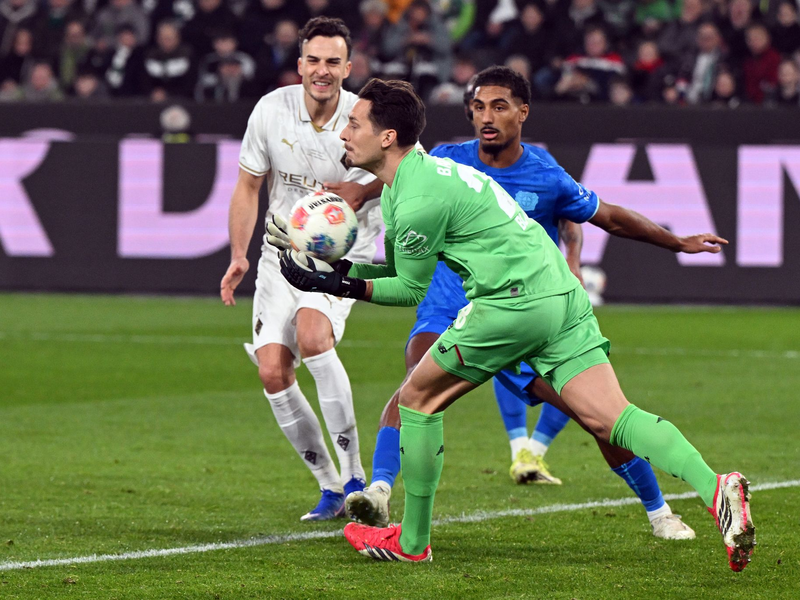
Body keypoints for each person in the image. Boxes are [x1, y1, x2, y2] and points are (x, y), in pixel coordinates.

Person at [276, 78, 755, 571]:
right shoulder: (422, 179)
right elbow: (396, 273)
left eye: (354, 123)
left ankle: (412, 542)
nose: (344, 133)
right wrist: (336, 274)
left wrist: (336, 285)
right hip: (563, 297)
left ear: (388, 137)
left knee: (417, 400)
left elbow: (412, 291)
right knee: (613, 417)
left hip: (511, 304)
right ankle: (716, 487)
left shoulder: (418, 200)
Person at [335, 66, 696, 541]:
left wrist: (674, 243)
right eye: (478, 106)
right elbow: (395, 177)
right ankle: (379, 491)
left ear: (522, 113)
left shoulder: (544, 173)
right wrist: (359, 193)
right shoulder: (444, 157)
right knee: (414, 384)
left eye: (498, 106)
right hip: (448, 302)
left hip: (518, 309)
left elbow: (603, 216)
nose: (485, 116)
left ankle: (659, 510)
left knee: (595, 414)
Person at [219, 16, 385, 522]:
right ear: (300, 65)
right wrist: (239, 254)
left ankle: (357, 476)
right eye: (314, 60)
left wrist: (362, 189)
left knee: (313, 336)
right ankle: (330, 488)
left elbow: (409, 161)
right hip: (279, 251)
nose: (322, 70)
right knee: (272, 370)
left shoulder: (366, 115)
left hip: (341, 253)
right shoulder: (271, 110)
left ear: (348, 67)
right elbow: (250, 184)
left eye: (333, 62)